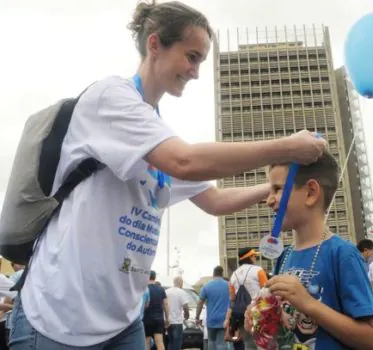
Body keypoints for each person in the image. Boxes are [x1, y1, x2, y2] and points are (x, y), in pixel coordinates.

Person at [8, 1, 327, 349]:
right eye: (192, 56)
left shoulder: (155, 132)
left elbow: (216, 201)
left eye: (201, 61)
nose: (196, 71)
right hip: (57, 317)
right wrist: (285, 148)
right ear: (155, 44)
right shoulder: (111, 97)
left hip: (121, 321)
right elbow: (185, 161)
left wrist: (275, 186)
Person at [245, 151, 373, 349]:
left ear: (311, 193)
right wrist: (263, 315)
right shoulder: (284, 257)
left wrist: (307, 303)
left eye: (277, 189)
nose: (269, 200)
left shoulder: (343, 255)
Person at [226, 248, 267, 350]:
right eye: (254, 255)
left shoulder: (233, 275)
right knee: (264, 343)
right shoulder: (258, 270)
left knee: (248, 343)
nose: (255, 257)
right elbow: (267, 291)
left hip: (241, 315)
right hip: (259, 312)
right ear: (249, 257)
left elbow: (232, 298)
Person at [197, 266, 230, 350]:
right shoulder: (229, 285)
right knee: (222, 343)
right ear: (222, 274)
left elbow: (200, 303)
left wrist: (197, 317)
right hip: (224, 319)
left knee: (211, 341)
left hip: (211, 319)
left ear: (213, 274)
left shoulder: (206, 286)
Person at [144, 270, 170, 350]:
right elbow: (166, 304)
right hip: (158, 319)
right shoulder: (161, 289)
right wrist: (167, 318)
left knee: (146, 341)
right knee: (159, 342)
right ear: (155, 278)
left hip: (146, 319)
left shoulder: (144, 288)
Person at [165, 276, 189, 350]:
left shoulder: (166, 291)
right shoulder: (182, 292)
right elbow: (185, 306)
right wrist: (187, 315)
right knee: (177, 344)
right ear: (181, 283)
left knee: (170, 342)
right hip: (177, 322)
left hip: (168, 321)